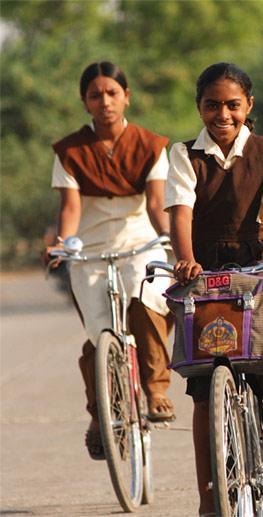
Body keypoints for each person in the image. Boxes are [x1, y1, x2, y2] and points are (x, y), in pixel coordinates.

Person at [164, 62, 263, 516]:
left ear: (248, 106)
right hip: (204, 262)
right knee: (204, 384)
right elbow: (180, 214)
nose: (222, 114)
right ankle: (209, 501)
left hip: (255, 253)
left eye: (233, 105)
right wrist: (185, 259)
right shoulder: (183, 154)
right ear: (200, 108)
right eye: (212, 105)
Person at [45, 61, 176, 461]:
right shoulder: (69, 151)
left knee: (147, 298)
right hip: (90, 249)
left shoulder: (151, 145)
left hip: (141, 242)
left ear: (126, 97)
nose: (104, 102)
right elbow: (69, 208)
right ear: (84, 102)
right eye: (95, 95)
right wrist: (64, 244)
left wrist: (173, 240)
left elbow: (156, 204)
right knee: (100, 334)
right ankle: (101, 412)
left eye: (112, 93)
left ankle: (156, 389)